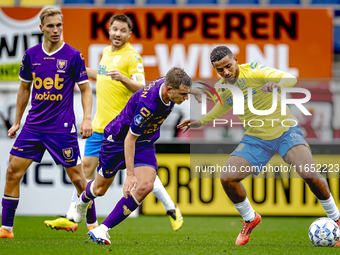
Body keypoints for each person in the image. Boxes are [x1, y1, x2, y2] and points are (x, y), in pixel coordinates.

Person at [178, 46, 340, 246]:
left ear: (236, 60)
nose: (226, 72)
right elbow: (223, 107)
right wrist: (200, 122)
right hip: (255, 139)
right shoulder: (223, 87)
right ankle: (250, 218)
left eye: (228, 66)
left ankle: (336, 219)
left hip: (284, 132)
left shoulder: (255, 71)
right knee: (227, 178)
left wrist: (277, 84)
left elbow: (291, 78)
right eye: (220, 70)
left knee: (309, 173)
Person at [44, 14, 183, 232]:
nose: (118, 34)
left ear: (129, 34)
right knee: (86, 173)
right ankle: (75, 218)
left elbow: (144, 88)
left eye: (122, 30)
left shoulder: (132, 57)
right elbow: (101, 75)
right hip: (100, 125)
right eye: (114, 29)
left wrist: (124, 78)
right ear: (109, 30)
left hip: (123, 128)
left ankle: (171, 208)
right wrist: (74, 70)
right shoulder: (106, 53)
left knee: (142, 177)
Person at [0, 8, 95, 239]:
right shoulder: (31, 55)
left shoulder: (73, 55)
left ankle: (94, 226)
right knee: (12, 171)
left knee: (78, 179)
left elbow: (85, 89)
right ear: (41, 28)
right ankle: (6, 229)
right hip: (33, 126)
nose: (55, 30)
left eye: (59, 25)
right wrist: (17, 122)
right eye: (51, 26)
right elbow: (24, 88)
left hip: (61, 128)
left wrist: (86, 118)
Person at [71, 67, 191, 245]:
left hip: (144, 142)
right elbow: (129, 139)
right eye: (183, 94)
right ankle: (82, 201)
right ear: (169, 90)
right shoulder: (149, 106)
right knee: (99, 190)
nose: (186, 98)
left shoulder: (169, 85)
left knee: (145, 186)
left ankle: (102, 230)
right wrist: (130, 174)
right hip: (117, 141)